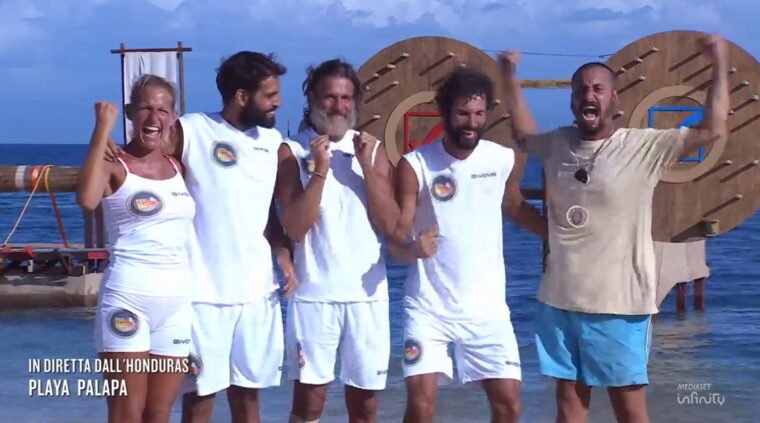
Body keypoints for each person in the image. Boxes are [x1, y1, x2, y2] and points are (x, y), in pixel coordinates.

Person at [499, 34, 728, 423]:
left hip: (621, 305)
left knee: (629, 412)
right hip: (559, 301)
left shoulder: (644, 147)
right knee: (569, 408)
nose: (589, 95)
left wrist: (718, 63)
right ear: (572, 101)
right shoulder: (557, 143)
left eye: (598, 89)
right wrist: (508, 77)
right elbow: (523, 134)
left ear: (614, 99)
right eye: (581, 89)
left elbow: (712, 130)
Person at [107, 52, 296, 423]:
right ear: (242, 96)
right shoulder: (193, 129)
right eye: (270, 94)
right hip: (201, 295)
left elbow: (265, 210)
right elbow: (144, 158)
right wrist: (105, 148)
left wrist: (283, 253)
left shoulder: (273, 142)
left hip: (258, 293)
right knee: (199, 401)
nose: (279, 102)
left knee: (248, 400)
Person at [388, 66, 547, 423]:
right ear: (444, 112)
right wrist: (413, 249)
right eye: (462, 113)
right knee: (421, 406)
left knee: (509, 404)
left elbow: (514, 205)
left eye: (478, 113)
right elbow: (395, 243)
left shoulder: (501, 158)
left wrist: (558, 237)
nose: (471, 123)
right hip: (427, 308)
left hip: (487, 310)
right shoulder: (415, 165)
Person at [274, 59, 398, 423]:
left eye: (346, 98)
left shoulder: (373, 150)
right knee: (308, 405)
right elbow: (294, 228)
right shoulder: (291, 150)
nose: (338, 106)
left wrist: (367, 167)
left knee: (366, 407)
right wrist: (320, 170)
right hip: (314, 295)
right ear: (312, 98)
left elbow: (390, 224)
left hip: (368, 296)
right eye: (330, 97)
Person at [78, 74, 195, 423]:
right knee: (126, 412)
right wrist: (102, 129)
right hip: (127, 299)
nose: (153, 117)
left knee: (159, 414)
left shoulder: (178, 166)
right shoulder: (115, 164)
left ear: (173, 117)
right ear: (130, 113)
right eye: (145, 108)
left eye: (162, 110)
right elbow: (87, 199)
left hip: (175, 305)